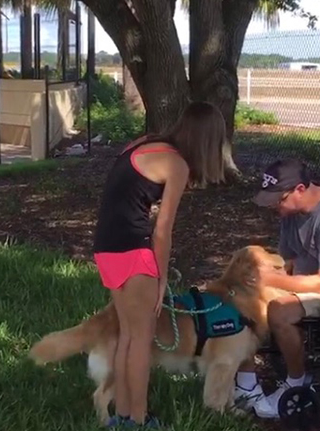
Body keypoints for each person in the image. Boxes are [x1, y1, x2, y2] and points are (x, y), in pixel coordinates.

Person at [92, 101, 227, 428]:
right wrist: (161, 276)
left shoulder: (144, 142)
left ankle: (124, 418)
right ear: (209, 141)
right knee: (141, 340)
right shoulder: (177, 164)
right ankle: (139, 421)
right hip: (133, 251)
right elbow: (163, 230)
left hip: (105, 248)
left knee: (129, 336)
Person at [233, 158, 320, 419]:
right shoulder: (291, 212)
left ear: (299, 189)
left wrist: (271, 280)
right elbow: (289, 262)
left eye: (279, 198)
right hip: (308, 280)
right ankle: (246, 384)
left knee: (279, 311)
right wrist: (261, 277)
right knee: (240, 301)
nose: (275, 205)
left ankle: (297, 382)